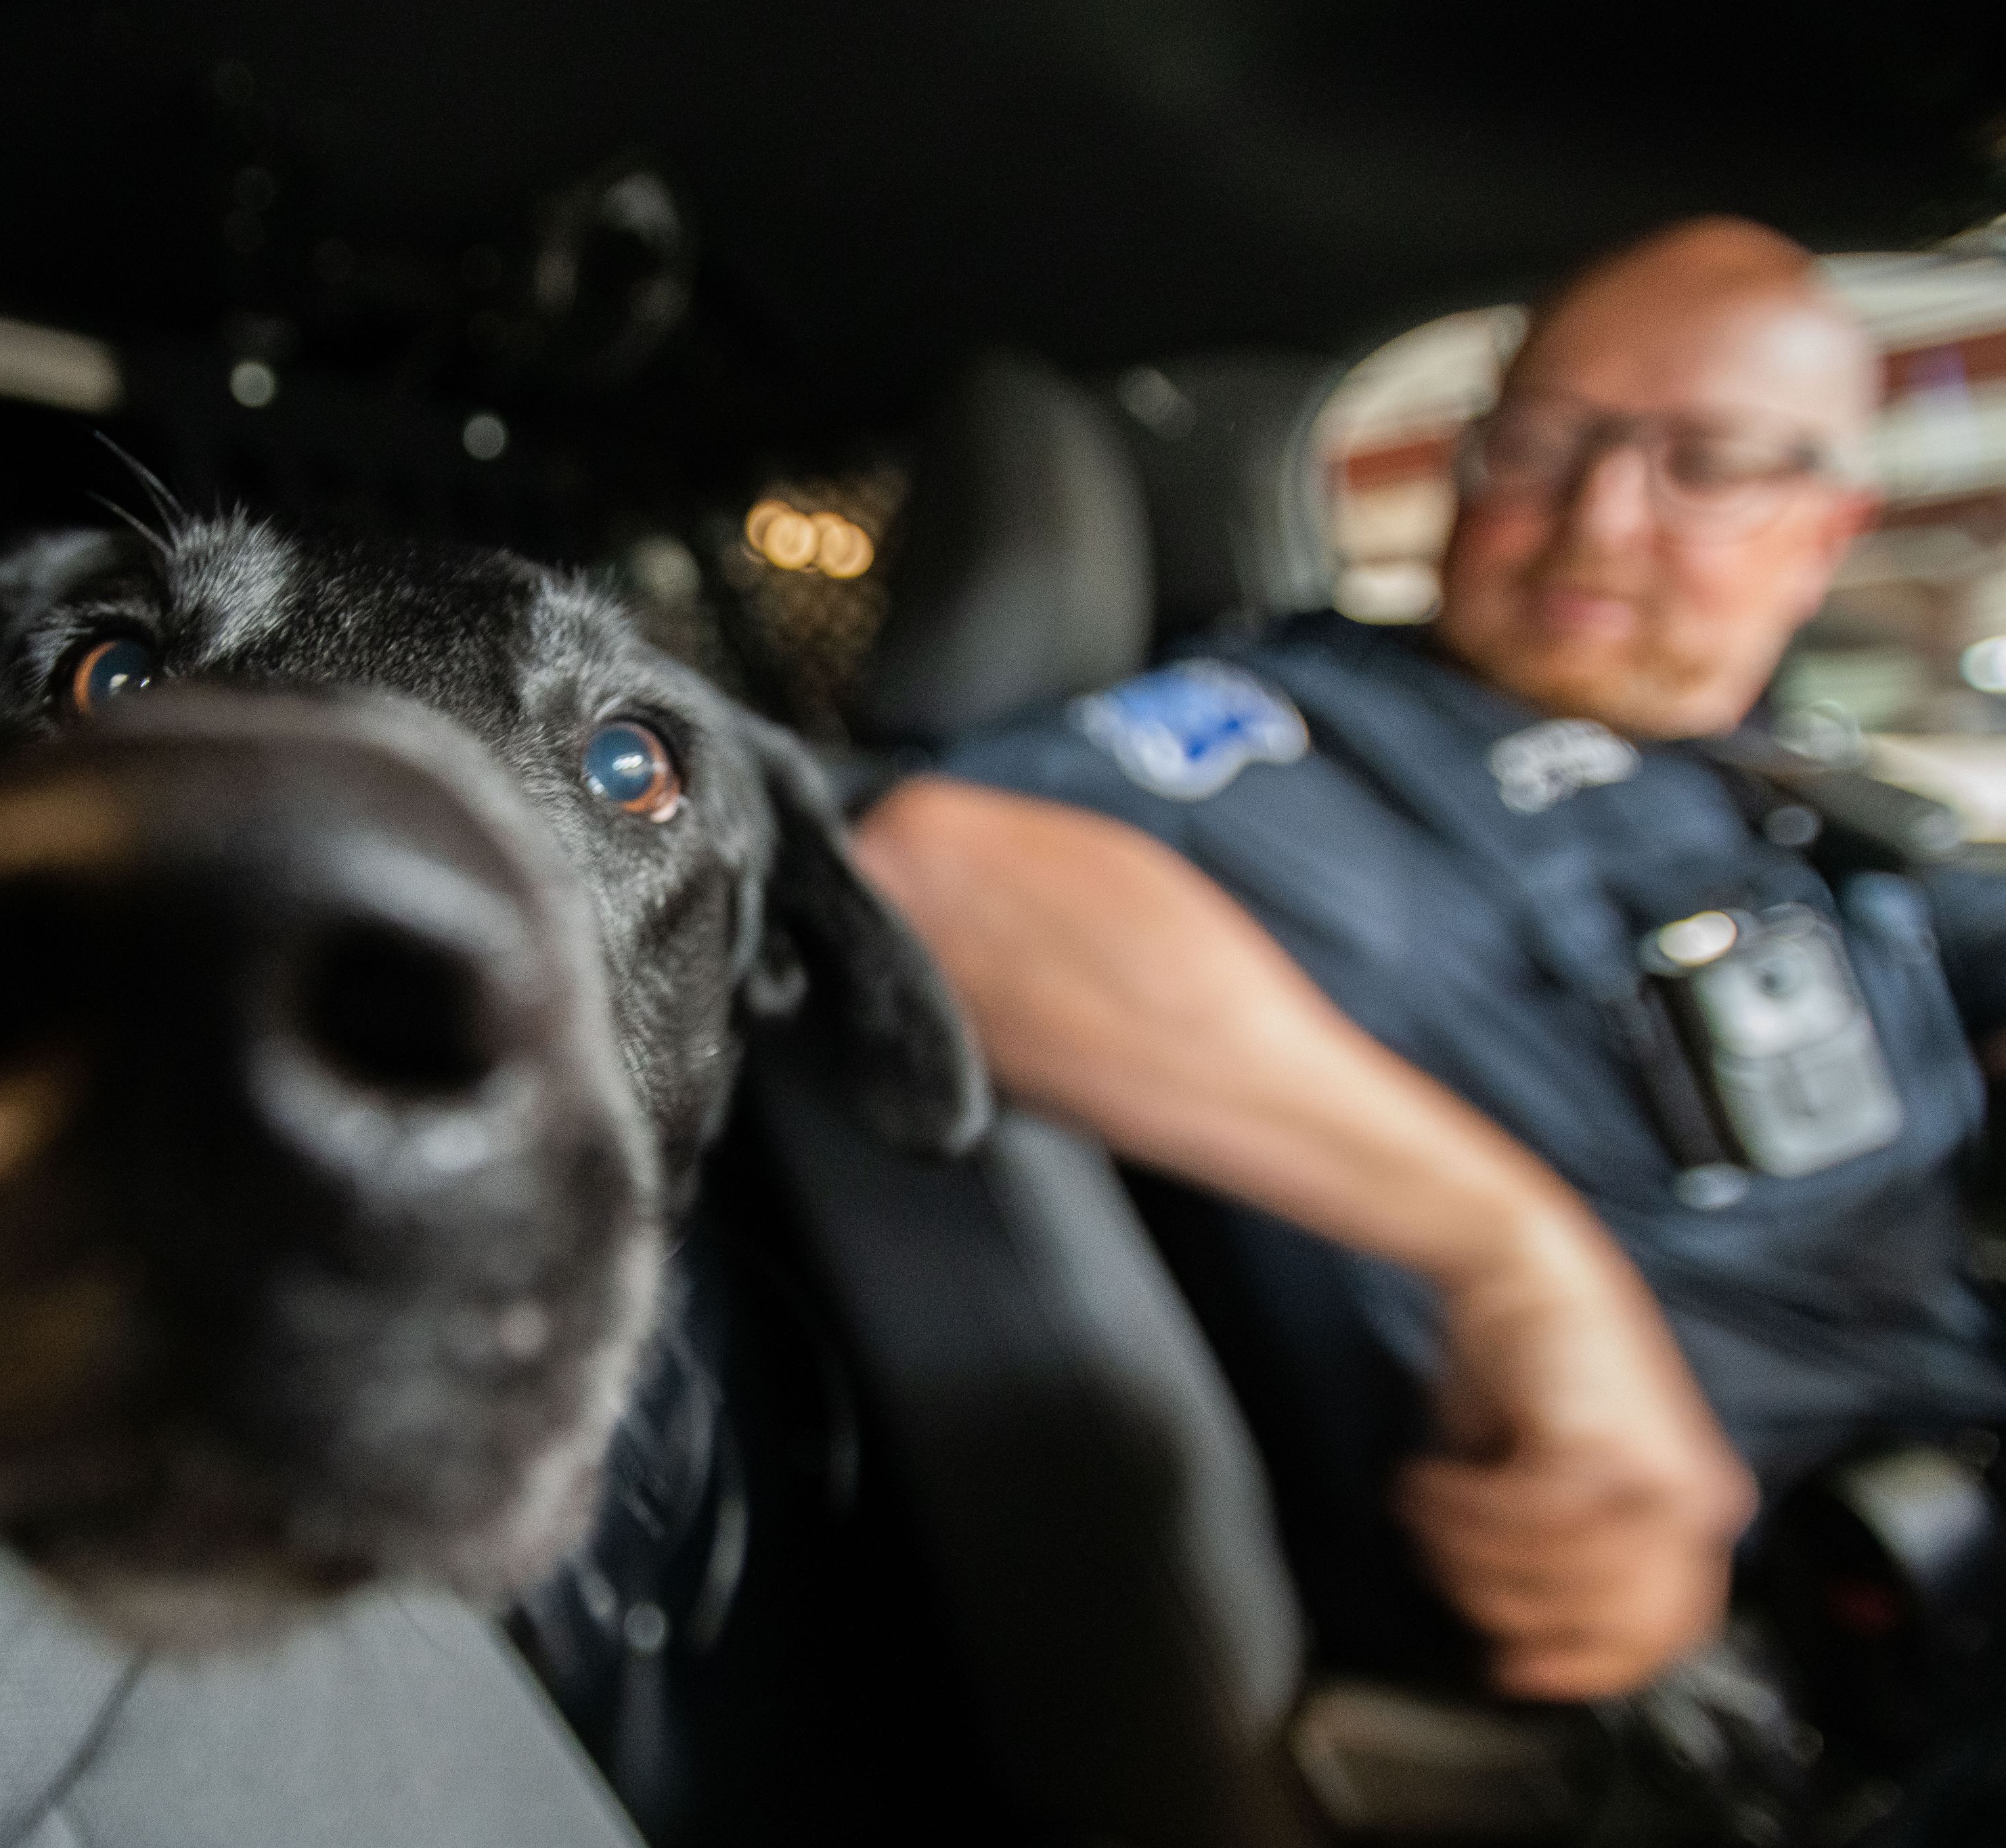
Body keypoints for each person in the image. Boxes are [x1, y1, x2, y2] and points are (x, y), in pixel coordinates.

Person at [855, 218, 2006, 1703]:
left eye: (1702, 464)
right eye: (1539, 442)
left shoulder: (1777, 781)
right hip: (1761, 1638)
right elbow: (936, 870)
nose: (1596, 519)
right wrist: (1524, 1262)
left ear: (1822, 528)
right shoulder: (1284, 736)